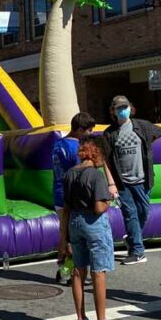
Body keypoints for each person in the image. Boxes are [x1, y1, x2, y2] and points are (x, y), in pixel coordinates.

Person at [59, 136, 123, 320]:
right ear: (97, 153)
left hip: (74, 223)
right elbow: (98, 207)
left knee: (78, 271)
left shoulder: (70, 174)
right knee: (99, 271)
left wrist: (63, 239)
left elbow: (66, 209)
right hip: (94, 224)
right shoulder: (95, 176)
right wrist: (110, 200)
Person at [52, 112, 117, 283]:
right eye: (88, 131)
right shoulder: (76, 149)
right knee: (76, 236)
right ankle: (72, 271)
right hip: (73, 196)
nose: (90, 134)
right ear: (80, 130)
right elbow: (82, 173)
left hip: (59, 193)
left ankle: (66, 269)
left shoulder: (58, 144)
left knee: (65, 232)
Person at [100, 95, 161, 265]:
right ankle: (137, 251)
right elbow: (105, 159)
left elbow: (160, 132)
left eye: (125, 107)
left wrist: (148, 148)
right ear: (113, 111)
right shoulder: (109, 133)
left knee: (144, 212)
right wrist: (111, 183)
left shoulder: (142, 126)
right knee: (130, 215)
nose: (122, 110)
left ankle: (132, 238)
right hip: (122, 183)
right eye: (118, 108)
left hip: (143, 179)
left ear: (131, 107)